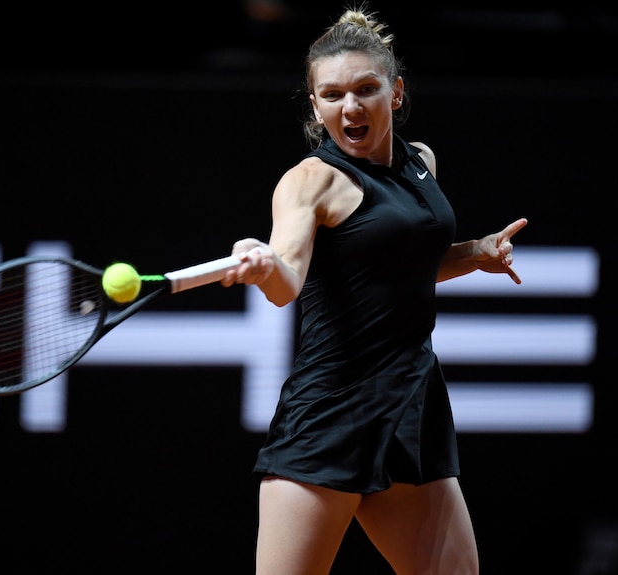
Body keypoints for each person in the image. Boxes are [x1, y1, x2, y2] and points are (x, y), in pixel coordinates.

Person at [220, 4, 528, 575]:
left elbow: (399, 266)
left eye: (366, 89)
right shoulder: (310, 181)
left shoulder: (421, 162)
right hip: (330, 415)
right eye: (332, 95)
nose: (351, 107)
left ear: (397, 92)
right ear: (314, 105)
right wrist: (264, 266)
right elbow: (288, 280)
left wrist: (475, 254)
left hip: (410, 404)